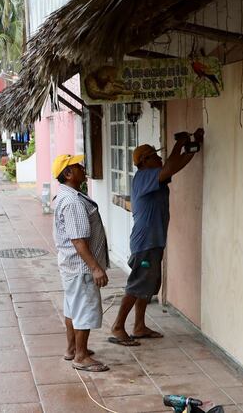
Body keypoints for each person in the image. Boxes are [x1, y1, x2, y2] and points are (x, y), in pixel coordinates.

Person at [109, 129, 204, 345]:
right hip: (146, 242)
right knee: (137, 285)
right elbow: (171, 165)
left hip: (154, 240)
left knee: (147, 285)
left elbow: (176, 166)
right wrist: (180, 144)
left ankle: (139, 326)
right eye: (155, 156)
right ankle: (117, 326)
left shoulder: (154, 177)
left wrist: (193, 145)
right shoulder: (145, 177)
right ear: (145, 161)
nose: (160, 158)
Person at [52, 154, 110, 372]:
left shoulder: (67, 196)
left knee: (72, 308)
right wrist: (95, 268)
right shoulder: (73, 201)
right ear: (68, 174)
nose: (83, 168)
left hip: (71, 266)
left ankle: (71, 349)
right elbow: (78, 240)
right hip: (81, 268)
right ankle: (81, 356)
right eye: (77, 166)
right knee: (84, 309)